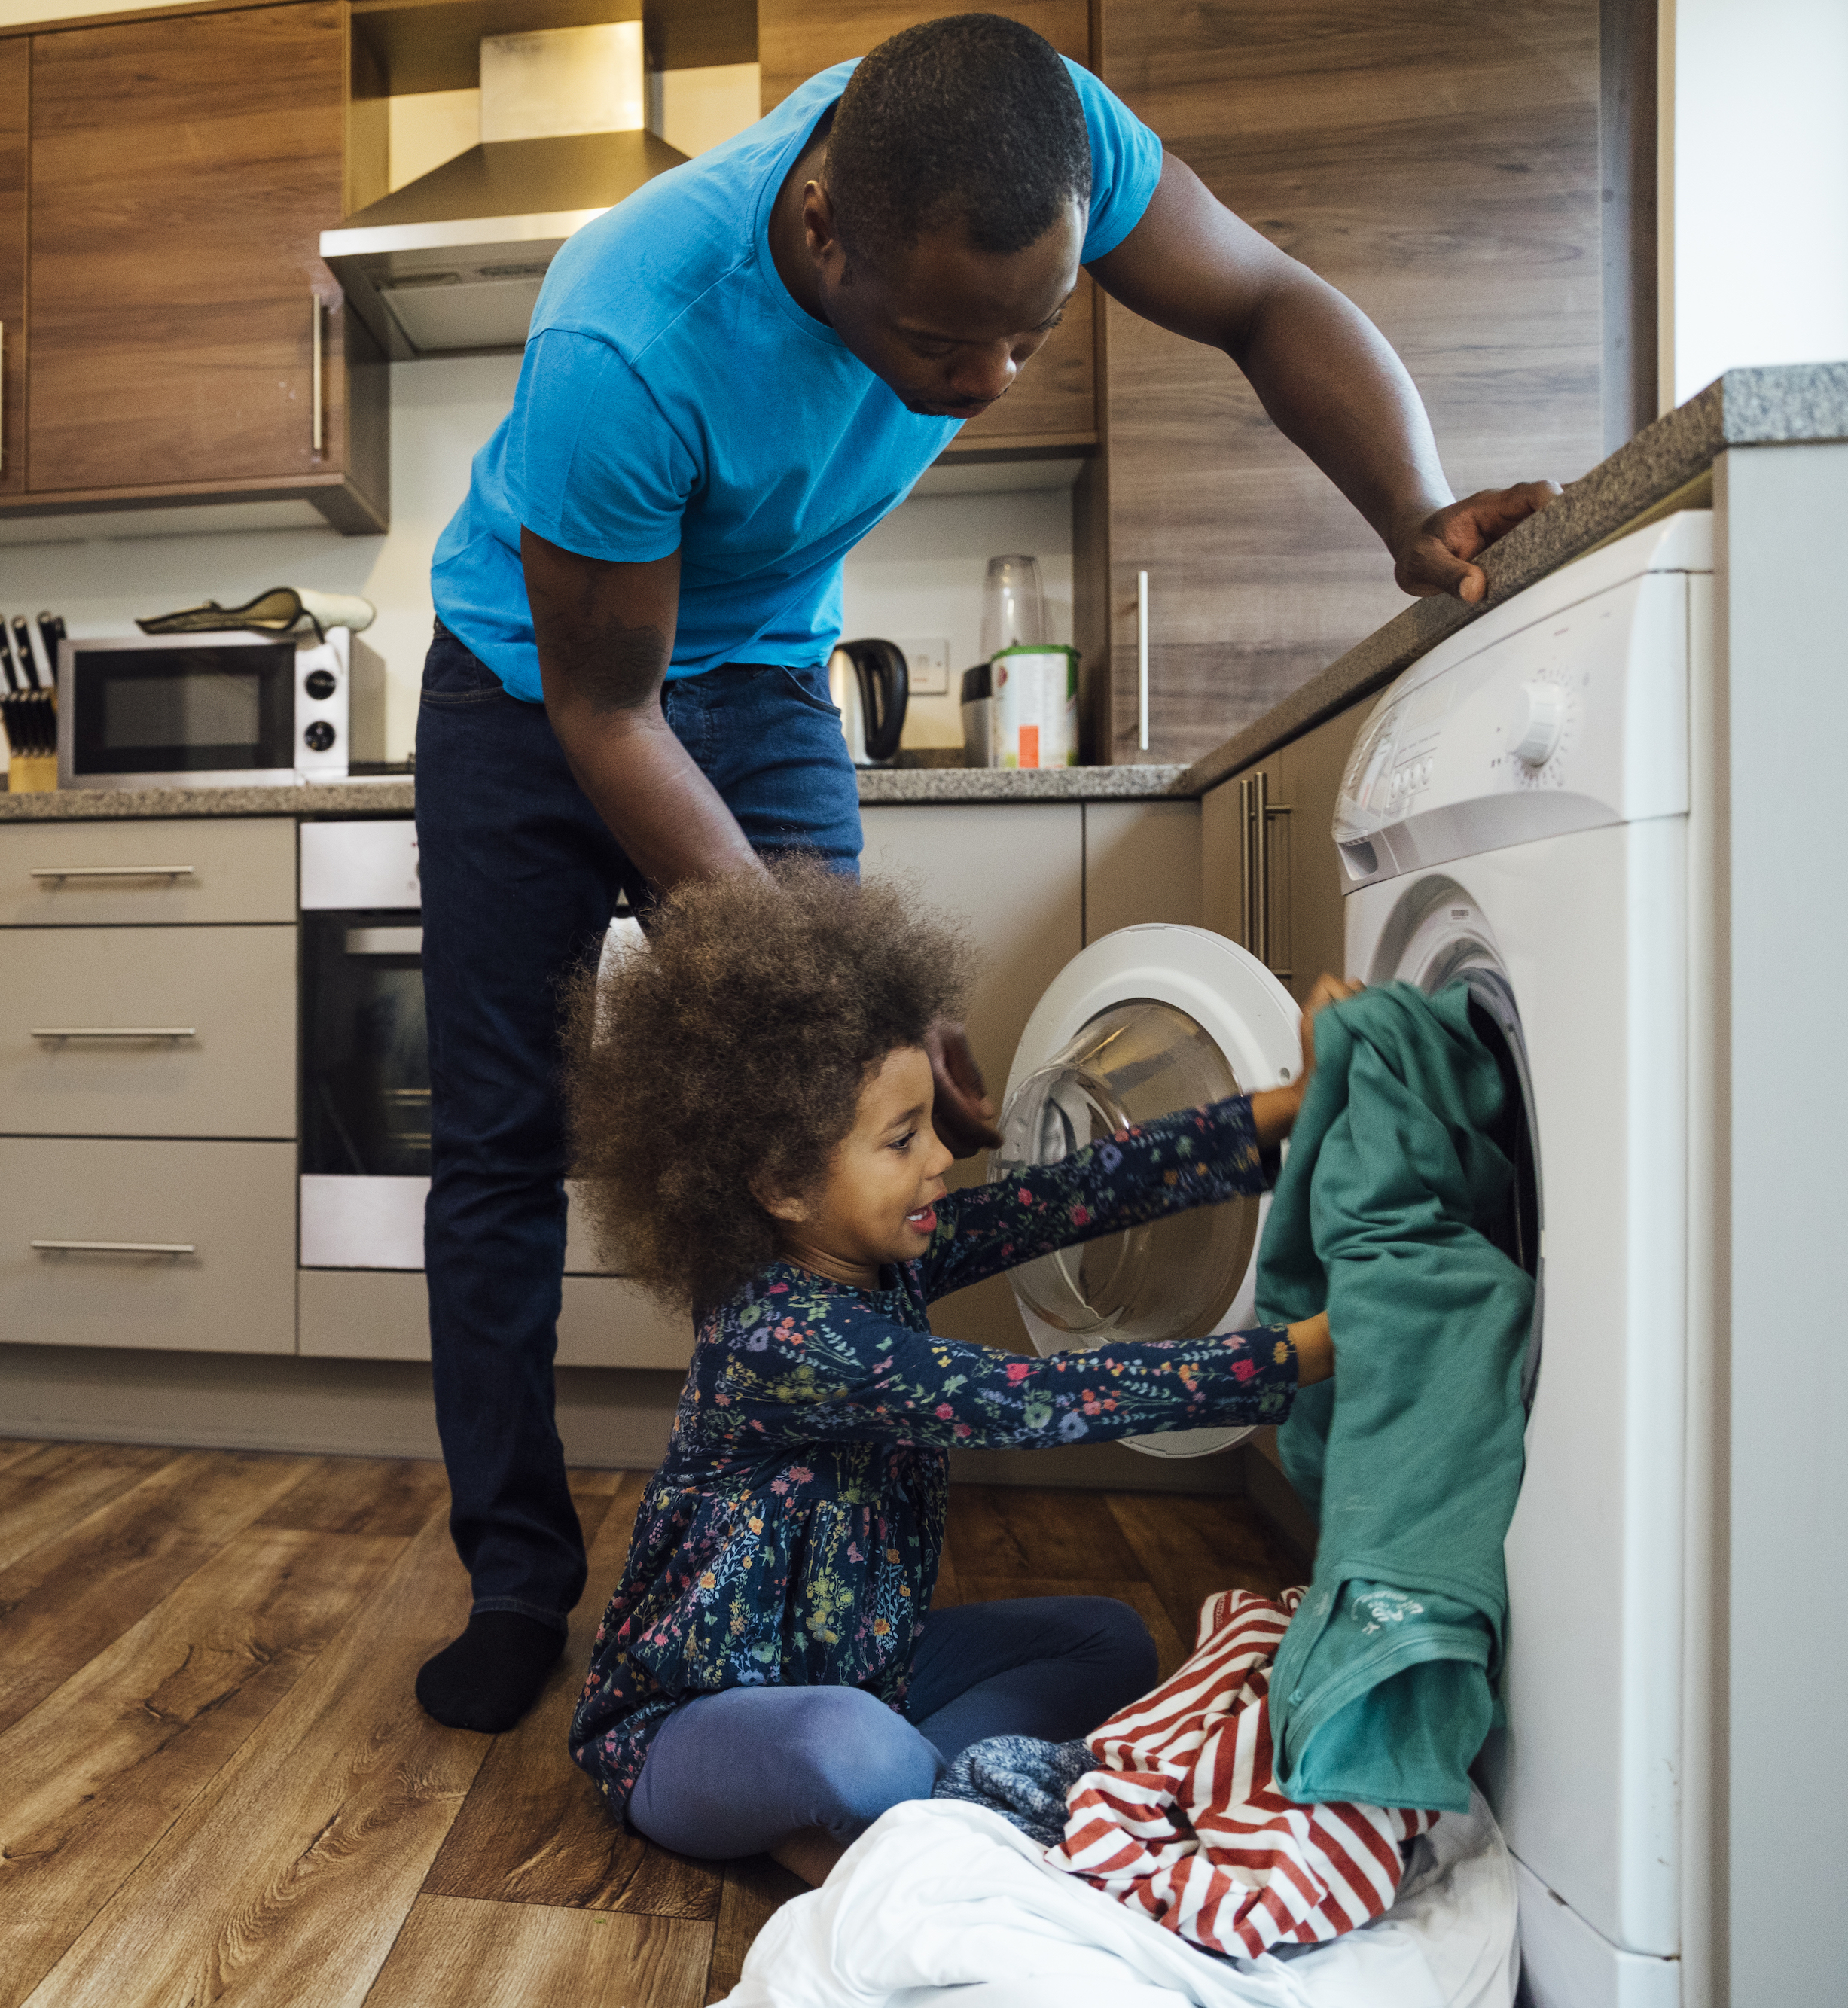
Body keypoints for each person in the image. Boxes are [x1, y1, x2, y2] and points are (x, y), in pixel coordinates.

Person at [410, 10, 1551, 1733]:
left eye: (1028, 331)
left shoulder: (1048, 141)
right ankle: (515, 1578)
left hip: (766, 673)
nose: (986, 382)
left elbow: (1259, 299)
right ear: (819, 238)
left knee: (844, 1142)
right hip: (538, 688)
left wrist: (1412, 508)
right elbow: (606, 704)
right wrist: (851, 993)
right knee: (503, 1140)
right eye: (942, 338)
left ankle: (789, 1565)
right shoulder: (625, 336)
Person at [561, 862, 1346, 1880]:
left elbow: (1067, 1197)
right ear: (783, 1187)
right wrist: (1310, 1354)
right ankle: (912, 1815)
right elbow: (1033, 1402)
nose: (941, 1158)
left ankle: (901, 1825)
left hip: (868, 1669)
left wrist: (1281, 1109)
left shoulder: (881, 1255)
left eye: (929, 1122)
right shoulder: (779, 1336)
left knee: (1108, 1642)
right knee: (847, 1748)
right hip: (685, 1726)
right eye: (901, 1140)